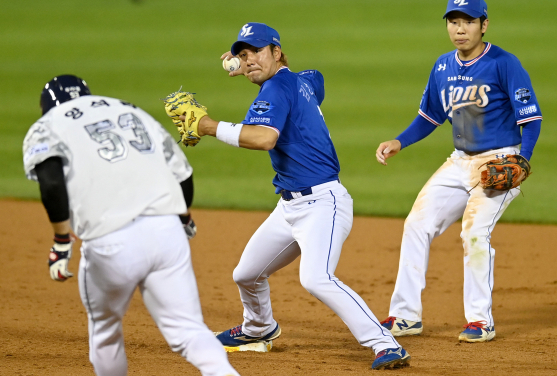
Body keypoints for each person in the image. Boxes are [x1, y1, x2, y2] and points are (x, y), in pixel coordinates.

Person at [173, 23, 411, 370]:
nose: (248, 59)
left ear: (276, 51)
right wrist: (251, 69)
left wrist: (208, 126)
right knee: (246, 274)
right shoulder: (301, 81)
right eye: (242, 54)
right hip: (290, 207)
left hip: (324, 204)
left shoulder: (276, 89)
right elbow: (317, 78)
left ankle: (384, 343)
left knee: (316, 278)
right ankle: (259, 328)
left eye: (256, 51)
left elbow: (263, 138)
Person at [22, 75, 240, 376]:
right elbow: (183, 174)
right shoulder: (129, 110)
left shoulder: (47, 124)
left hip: (111, 243)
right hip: (167, 235)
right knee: (190, 331)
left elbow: (50, 182)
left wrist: (62, 240)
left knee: (106, 331)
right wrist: (183, 217)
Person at [375, 0, 542, 342]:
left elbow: (532, 118)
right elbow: (429, 116)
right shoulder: (442, 66)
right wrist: (399, 141)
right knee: (416, 225)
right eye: (454, 21)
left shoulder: (504, 63)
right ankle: (405, 316)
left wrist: (522, 158)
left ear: (484, 24)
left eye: (468, 21)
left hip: (499, 161)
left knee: (474, 233)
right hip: (459, 162)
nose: (460, 29)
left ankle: (481, 321)